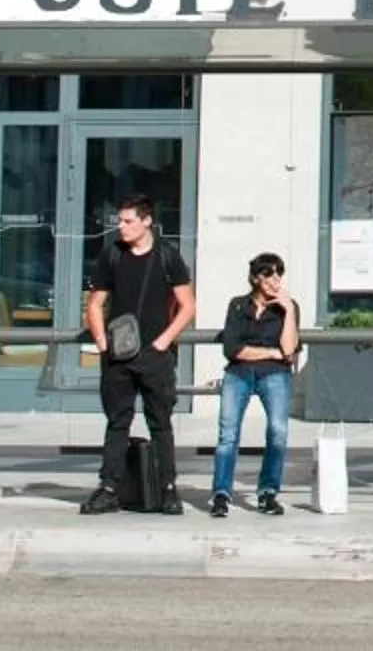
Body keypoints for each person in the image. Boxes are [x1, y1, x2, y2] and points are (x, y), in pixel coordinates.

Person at [79, 194, 195, 516]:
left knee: (161, 423)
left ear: (146, 221)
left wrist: (164, 341)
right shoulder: (111, 255)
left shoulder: (167, 256)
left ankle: (168, 489)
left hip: (155, 356)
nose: (122, 227)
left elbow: (188, 305)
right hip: (118, 355)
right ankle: (109, 487)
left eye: (128, 221)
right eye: (120, 221)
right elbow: (94, 303)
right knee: (118, 422)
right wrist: (102, 341)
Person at [208, 252, 298, 519]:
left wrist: (289, 311)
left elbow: (289, 350)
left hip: (275, 375)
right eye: (269, 274)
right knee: (228, 434)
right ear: (256, 278)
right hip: (239, 373)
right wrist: (270, 353)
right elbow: (232, 349)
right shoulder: (238, 305)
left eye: (279, 274)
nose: (275, 280)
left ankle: (268, 492)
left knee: (278, 431)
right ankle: (221, 494)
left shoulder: (287, 307)